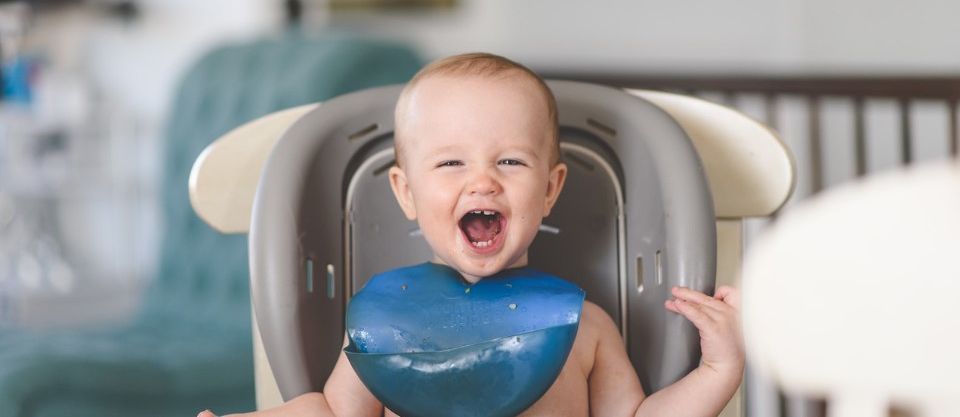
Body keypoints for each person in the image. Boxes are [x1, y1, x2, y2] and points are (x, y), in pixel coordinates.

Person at [200, 52, 744, 417]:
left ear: (550, 190)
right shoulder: (386, 322)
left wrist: (720, 369)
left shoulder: (584, 326)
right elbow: (332, 413)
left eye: (509, 161)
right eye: (451, 163)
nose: (482, 180)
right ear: (406, 192)